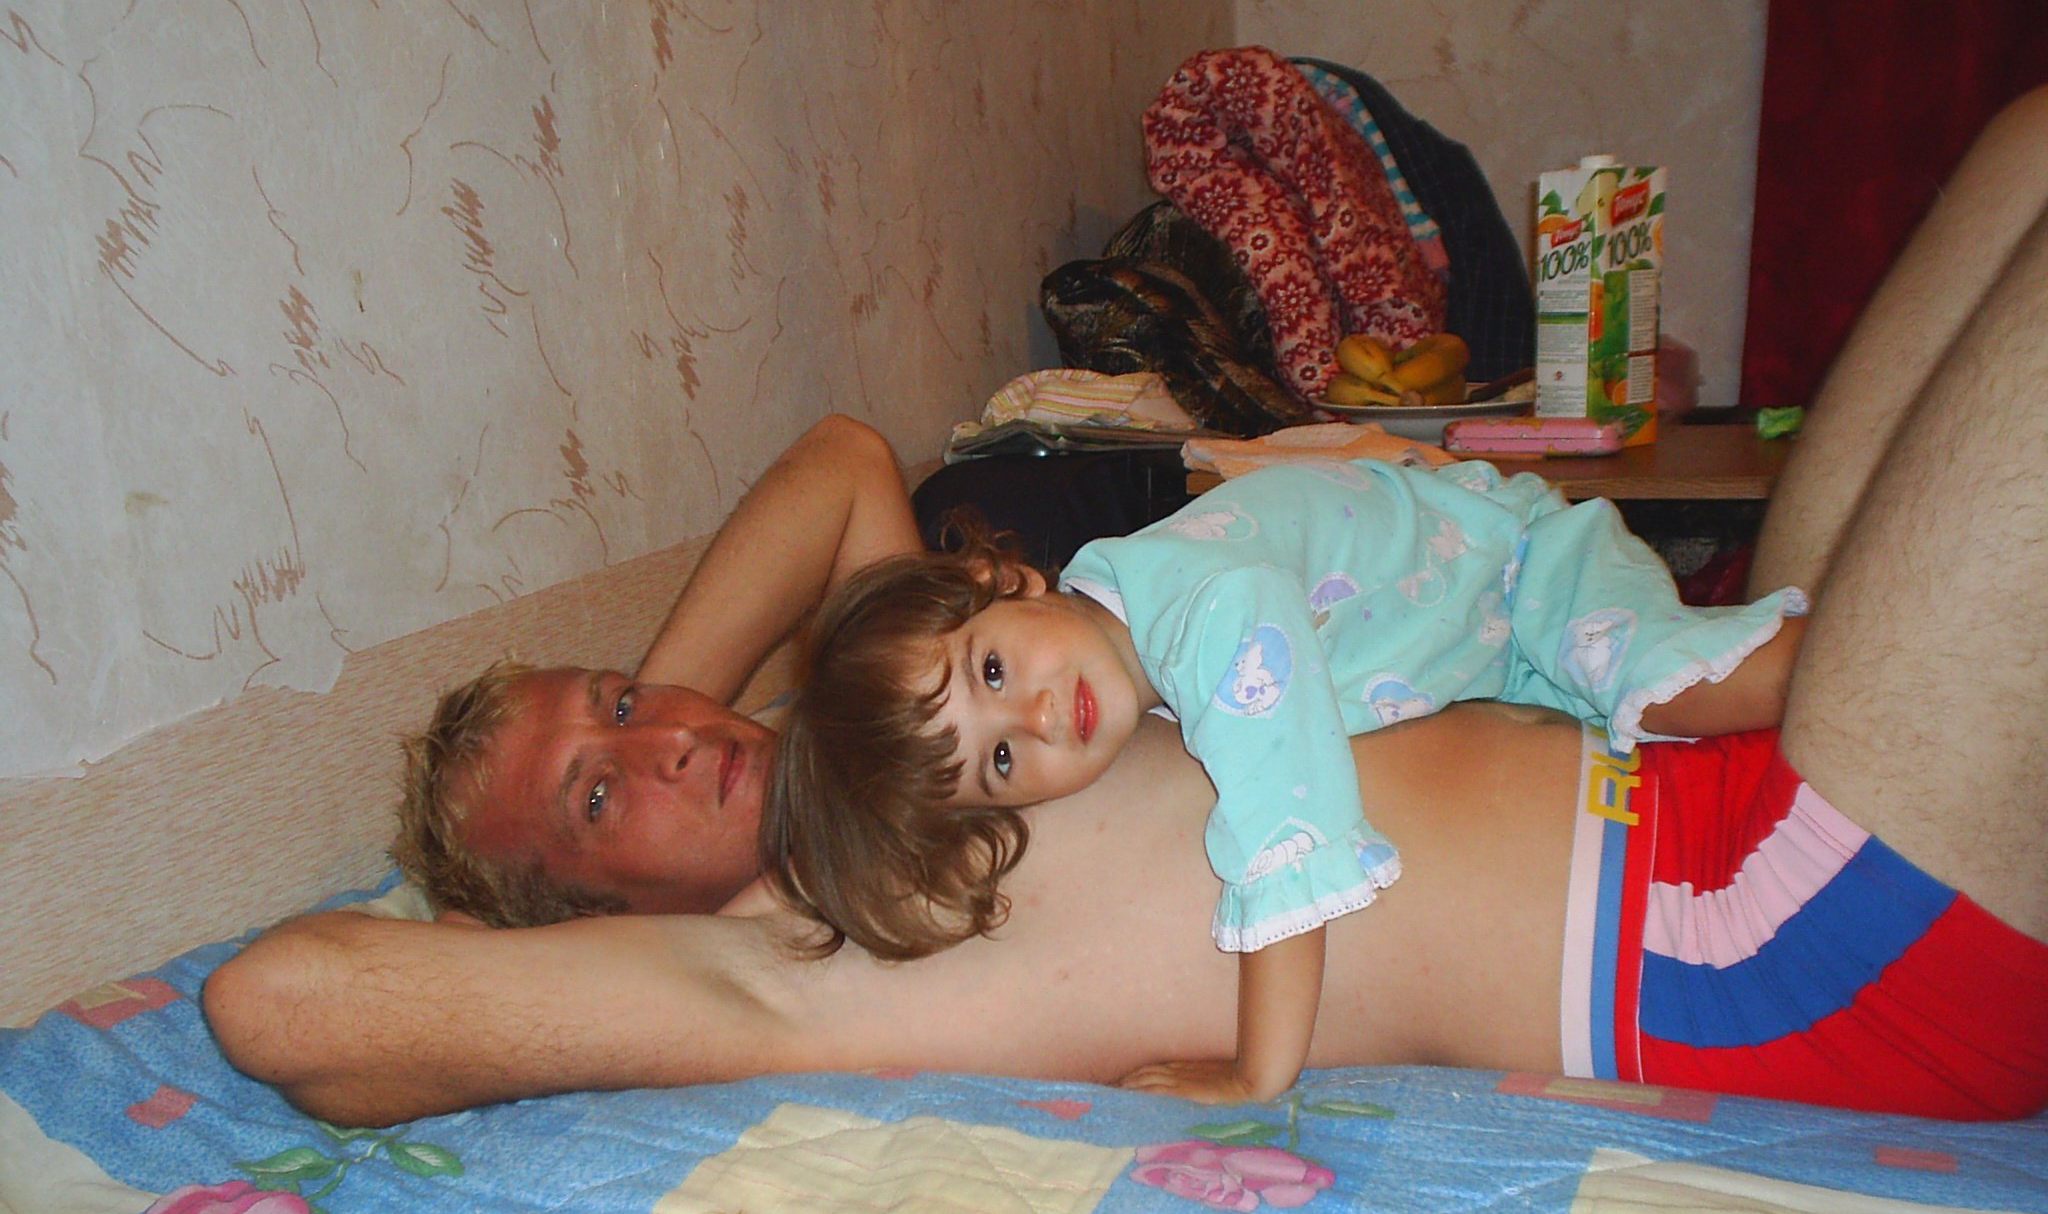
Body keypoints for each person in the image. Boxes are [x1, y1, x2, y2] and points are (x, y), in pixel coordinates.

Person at [203, 86, 2048, 1130]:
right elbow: (286, 1004)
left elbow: (841, 464)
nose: (672, 736)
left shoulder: (904, 741)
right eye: (603, 795)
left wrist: (670, 731)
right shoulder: (802, 958)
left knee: (2021, 147)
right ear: (577, 922)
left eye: (624, 703)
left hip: (1695, 762)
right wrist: (584, 909)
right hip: (1757, 931)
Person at [761, 458, 1804, 1105]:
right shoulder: (1130, 634)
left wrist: (1255, 1071)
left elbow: (1287, 840)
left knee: (1670, 684)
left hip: (1527, 570)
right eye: (1000, 762)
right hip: (1479, 642)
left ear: (1003, 581)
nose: (1034, 717)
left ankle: (1864, 663)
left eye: (990, 671)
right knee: (1647, 725)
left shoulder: (1209, 620)